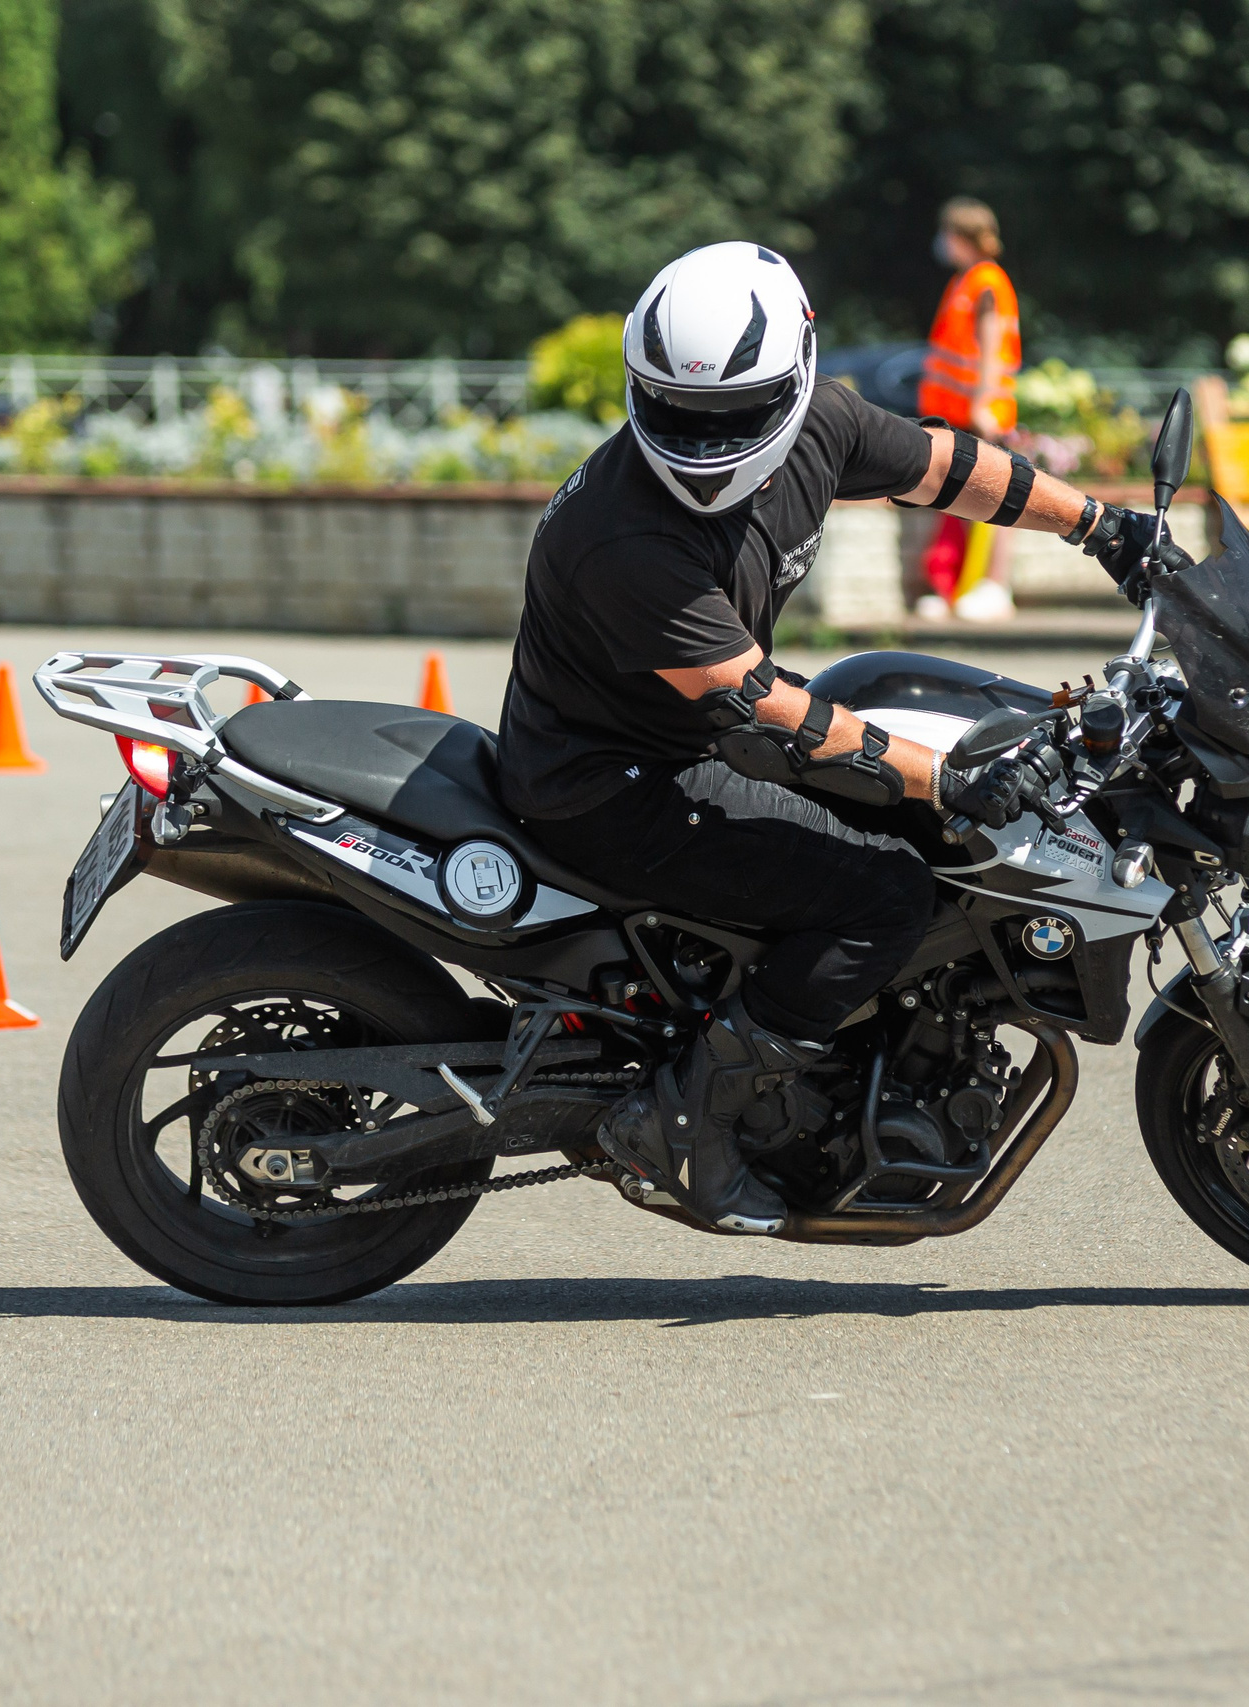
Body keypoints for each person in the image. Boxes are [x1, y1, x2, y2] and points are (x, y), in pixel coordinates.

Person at [497, 240, 1171, 1234]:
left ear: (797, 374)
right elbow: (760, 703)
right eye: (679, 410)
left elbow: (950, 467)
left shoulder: (824, 419)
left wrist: (1104, 527)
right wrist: (944, 780)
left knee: (909, 827)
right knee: (882, 894)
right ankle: (686, 1124)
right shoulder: (623, 537)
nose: (703, 435)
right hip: (612, 784)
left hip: (688, 740)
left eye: (734, 413)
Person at [913, 198, 1023, 623]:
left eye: (948, 234)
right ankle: (956, 586)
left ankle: (994, 586)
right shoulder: (968, 280)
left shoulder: (987, 282)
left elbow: (993, 348)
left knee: (996, 497)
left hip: (981, 414)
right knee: (962, 500)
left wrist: (981, 404)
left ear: (962, 237)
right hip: (958, 414)